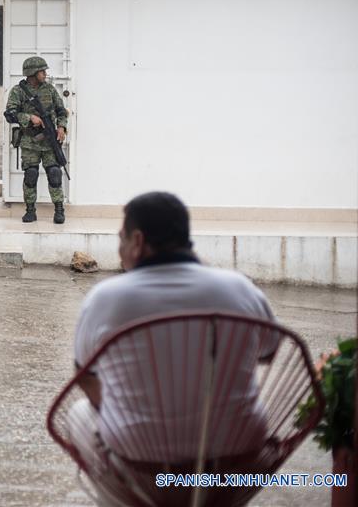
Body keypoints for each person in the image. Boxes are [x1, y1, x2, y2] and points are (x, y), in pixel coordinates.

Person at [69, 192, 278, 502]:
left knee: (78, 414)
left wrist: (120, 409)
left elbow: (84, 372)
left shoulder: (106, 298)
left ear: (137, 241)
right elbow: (268, 352)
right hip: (238, 466)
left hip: (144, 472)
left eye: (121, 239)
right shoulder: (240, 289)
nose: (119, 248)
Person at [4, 56, 68, 223]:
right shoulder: (18, 91)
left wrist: (61, 127)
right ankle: (30, 210)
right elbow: (10, 114)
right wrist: (29, 117)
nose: (45, 74)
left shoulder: (50, 90)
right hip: (30, 142)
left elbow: (61, 111)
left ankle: (59, 209)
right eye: (42, 71)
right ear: (33, 73)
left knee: (54, 174)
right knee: (31, 175)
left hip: (50, 142)